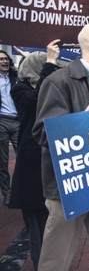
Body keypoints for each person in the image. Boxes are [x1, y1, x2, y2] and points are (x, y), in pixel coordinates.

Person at [33, 23, 89, 270]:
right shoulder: (58, 81)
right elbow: (43, 133)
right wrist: (82, 119)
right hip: (69, 188)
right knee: (57, 257)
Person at [9, 41, 62, 269]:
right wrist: (49, 63)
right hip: (31, 163)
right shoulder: (20, 90)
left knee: (51, 218)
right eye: (46, 68)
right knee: (36, 223)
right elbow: (40, 98)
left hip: (49, 161)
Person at [0, 49, 18, 207]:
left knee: (24, 155)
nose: (4, 61)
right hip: (2, 121)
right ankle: (7, 192)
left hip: (18, 121)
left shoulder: (15, 77)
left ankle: (20, 188)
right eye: (0, 59)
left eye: (6, 59)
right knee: (3, 159)